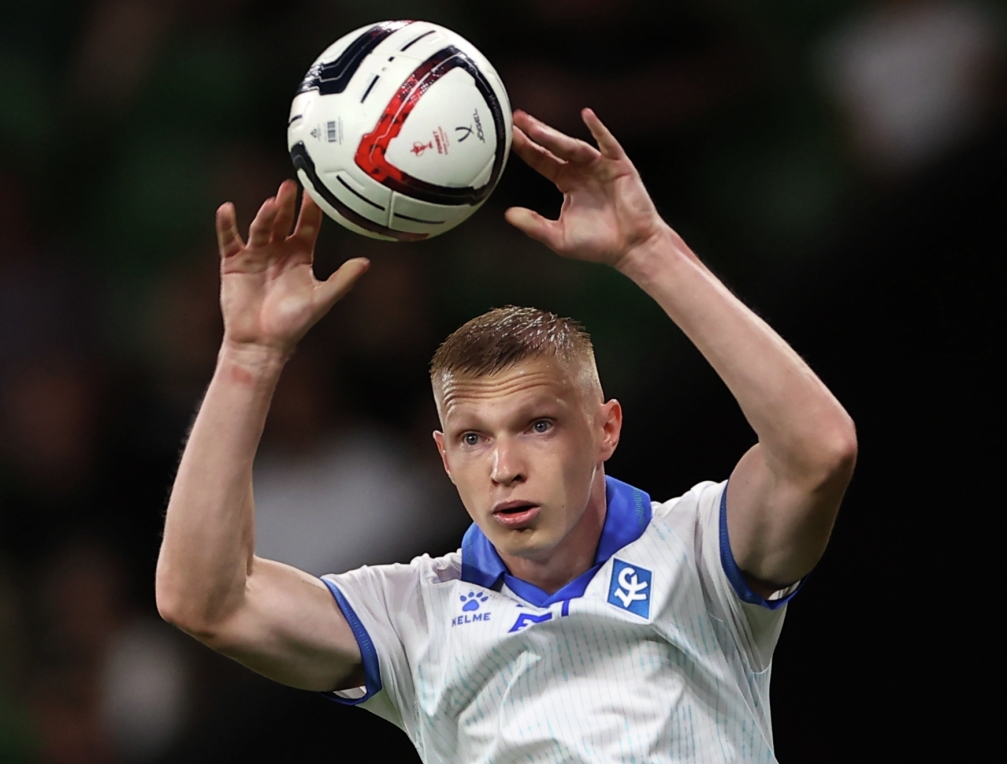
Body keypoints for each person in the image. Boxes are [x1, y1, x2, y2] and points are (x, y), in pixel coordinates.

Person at [154, 108, 857, 762]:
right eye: (473, 439)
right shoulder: (409, 616)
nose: (504, 467)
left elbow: (819, 452)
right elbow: (204, 600)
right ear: (443, 457)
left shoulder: (701, 550)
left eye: (538, 425)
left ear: (606, 428)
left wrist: (649, 251)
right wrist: (249, 357)